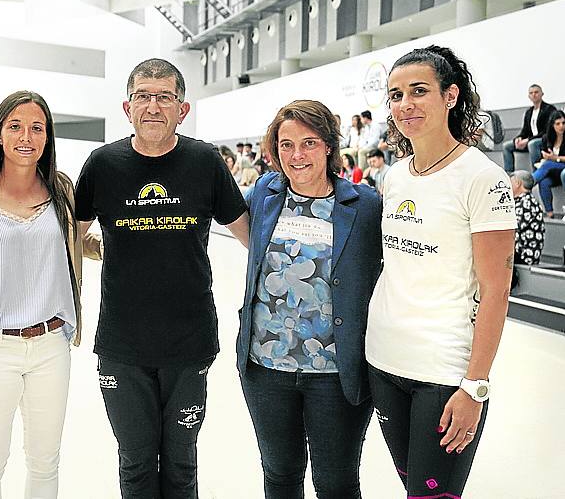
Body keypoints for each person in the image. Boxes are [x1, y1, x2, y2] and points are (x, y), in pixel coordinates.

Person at [74, 58, 249, 498]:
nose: (153, 106)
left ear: (182, 109)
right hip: (121, 345)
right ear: (127, 106)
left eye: (164, 97)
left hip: (188, 344)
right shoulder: (103, 164)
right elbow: (68, 238)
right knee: (134, 464)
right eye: (143, 96)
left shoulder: (205, 161)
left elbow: (253, 235)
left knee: (180, 464)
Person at [365, 45, 516, 497]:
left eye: (418, 91)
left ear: (450, 96)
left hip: (444, 374)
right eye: (395, 95)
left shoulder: (482, 178)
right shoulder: (395, 175)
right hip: (384, 360)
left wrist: (476, 386)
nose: (404, 104)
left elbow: (496, 291)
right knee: (413, 487)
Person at [0, 91, 101, 498]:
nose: (25, 137)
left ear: (47, 137)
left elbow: (74, 239)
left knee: (45, 461)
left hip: (52, 344)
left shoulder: (62, 189)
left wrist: (120, 242)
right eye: (14, 126)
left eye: (37, 127)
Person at [238, 100, 383, 498]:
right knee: (280, 475)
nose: (296, 155)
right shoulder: (265, 194)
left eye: (309, 143)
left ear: (329, 147)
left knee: (335, 482)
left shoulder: (365, 206)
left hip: (335, 374)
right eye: (286, 145)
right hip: (266, 367)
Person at [502, 84, 555, 172]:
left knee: (532, 144)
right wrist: (518, 138)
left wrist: (528, 140)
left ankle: (536, 174)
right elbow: (525, 130)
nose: (534, 94)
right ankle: (509, 174)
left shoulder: (549, 109)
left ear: (542, 94)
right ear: (529, 96)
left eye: (536, 92)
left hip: (544, 141)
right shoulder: (529, 112)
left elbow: (547, 131)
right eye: (531, 93)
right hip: (530, 141)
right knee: (506, 146)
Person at [532, 110, 565, 217]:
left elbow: (553, 159)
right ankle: (550, 214)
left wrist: (555, 158)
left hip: (562, 167)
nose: (561, 126)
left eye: (564, 123)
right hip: (553, 171)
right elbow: (544, 153)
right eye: (558, 124)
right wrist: (547, 157)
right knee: (544, 182)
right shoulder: (547, 138)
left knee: (547, 165)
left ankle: (527, 183)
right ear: (552, 125)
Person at [510, 170, 545, 266]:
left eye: (510, 183)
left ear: (517, 183)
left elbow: (512, 228)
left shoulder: (527, 202)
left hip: (524, 255)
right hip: (516, 253)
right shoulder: (521, 200)